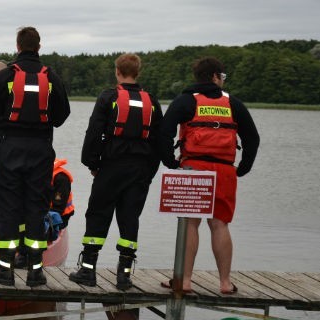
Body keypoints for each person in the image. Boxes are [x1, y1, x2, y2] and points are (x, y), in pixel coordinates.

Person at [158, 57, 260, 294]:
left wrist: (170, 162)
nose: (222, 81)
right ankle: (225, 283)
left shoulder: (185, 101)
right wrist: (243, 167)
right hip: (224, 169)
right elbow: (252, 139)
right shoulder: (233, 104)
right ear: (215, 76)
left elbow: (163, 132)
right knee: (219, 224)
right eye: (223, 76)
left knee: (190, 223)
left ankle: (184, 281)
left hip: (193, 168)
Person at [0, 26, 70, 287]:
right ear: (39, 47)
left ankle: (5, 271)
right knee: (37, 208)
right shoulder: (51, 77)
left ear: (18, 46)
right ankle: (35, 271)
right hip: (41, 150)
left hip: (9, 149)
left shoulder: (5, 77)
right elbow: (62, 115)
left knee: (8, 209)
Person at [68, 53, 163, 291]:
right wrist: (149, 173)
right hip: (139, 169)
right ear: (138, 72)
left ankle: (88, 271)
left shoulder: (108, 97)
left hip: (110, 166)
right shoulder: (151, 101)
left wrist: (92, 164)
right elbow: (159, 142)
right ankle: (124, 276)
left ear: (117, 72)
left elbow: (93, 133)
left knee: (98, 214)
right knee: (130, 219)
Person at [0, 159, 75, 259]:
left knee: (18, 232)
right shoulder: (33, 174)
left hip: (55, 221)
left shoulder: (60, 178)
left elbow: (56, 213)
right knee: (14, 227)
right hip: (34, 217)